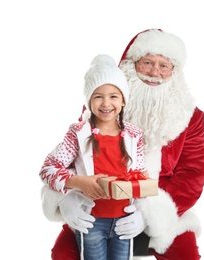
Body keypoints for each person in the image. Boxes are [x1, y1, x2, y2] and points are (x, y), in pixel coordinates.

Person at [41, 29, 204, 260]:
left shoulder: (192, 117)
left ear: (174, 72)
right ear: (130, 65)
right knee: (63, 254)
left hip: (161, 205)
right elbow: (70, 161)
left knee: (187, 255)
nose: (154, 73)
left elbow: (192, 174)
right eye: (147, 62)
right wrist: (68, 199)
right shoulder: (100, 110)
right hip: (98, 207)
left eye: (164, 65)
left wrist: (148, 214)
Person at [39, 54, 148, 260]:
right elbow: (48, 169)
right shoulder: (78, 133)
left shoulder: (134, 135)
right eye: (98, 96)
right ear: (89, 100)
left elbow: (139, 176)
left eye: (113, 96)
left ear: (124, 100)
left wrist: (141, 212)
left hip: (124, 220)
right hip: (91, 221)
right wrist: (78, 181)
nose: (106, 103)